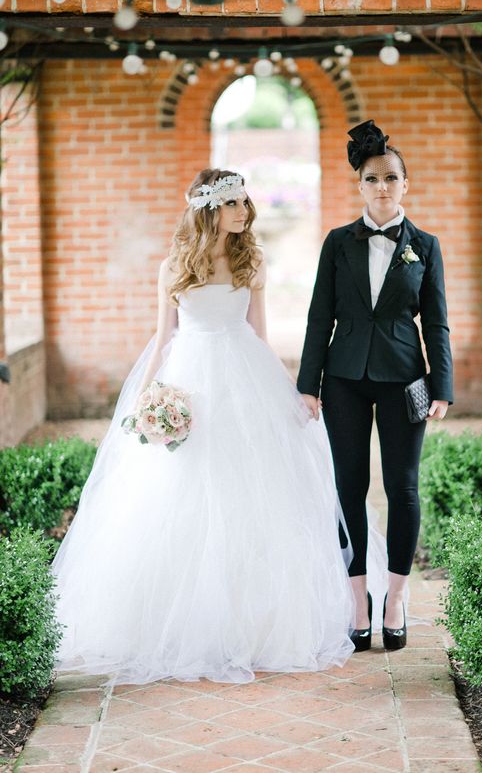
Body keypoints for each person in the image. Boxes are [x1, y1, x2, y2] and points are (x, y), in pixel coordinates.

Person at [51, 169, 359, 685]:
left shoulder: (252, 260)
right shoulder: (175, 265)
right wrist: (146, 399)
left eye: (245, 202)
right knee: (182, 493)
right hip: (189, 381)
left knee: (248, 494)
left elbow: (260, 336)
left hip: (244, 380)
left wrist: (292, 392)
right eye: (234, 203)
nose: (244, 211)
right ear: (210, 209)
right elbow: (162, 337)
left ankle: (254, 625)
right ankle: (181, 624)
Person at [297, 120, 453, 652]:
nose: (381, 187)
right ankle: (357, 595)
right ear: (359, 185)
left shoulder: (426, 247)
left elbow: (437, 322)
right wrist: (307, 383)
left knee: (403, 487)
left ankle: (395, 598)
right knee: (348, 487)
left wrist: (442, 385)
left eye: (390, 178)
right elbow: (320, 316)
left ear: (405, 184)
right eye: (371, 178)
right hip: (342, 379)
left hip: (405, 378)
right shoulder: (337, 242)